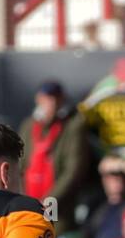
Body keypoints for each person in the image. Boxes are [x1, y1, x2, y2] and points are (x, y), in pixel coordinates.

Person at [19, 80, 93, 217]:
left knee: (50, 234)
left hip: (57, 206)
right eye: (47, 98)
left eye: (55, 99)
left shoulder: (73, 126)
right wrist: (23, 199)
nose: (51, 103)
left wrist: (49, 201)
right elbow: (19, 164)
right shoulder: (28, 126)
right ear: (38, 99)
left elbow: (73, 170)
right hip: (28, 201)